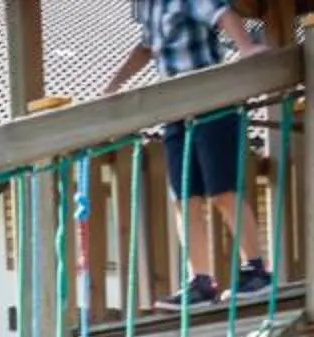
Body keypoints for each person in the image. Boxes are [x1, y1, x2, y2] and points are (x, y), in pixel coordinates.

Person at [106, 0, 272, 307]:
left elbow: (223, 14)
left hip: (211, 102)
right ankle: (201, 281)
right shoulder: (145, 6)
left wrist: (245, 48)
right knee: (185, 199)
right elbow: (146, 47)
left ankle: (257, 270)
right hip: (176, 110)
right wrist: (114, 86)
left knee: (222, 192)